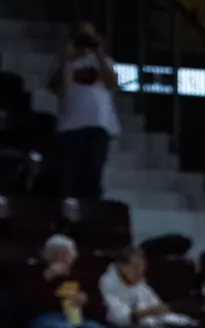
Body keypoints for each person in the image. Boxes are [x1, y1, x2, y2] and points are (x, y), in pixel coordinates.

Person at [49, 21, 118, 199]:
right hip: (70, 127)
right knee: (69, 181)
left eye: (89, 37)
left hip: (97, 125)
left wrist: (99, 53)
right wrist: (68, 59)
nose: (85, 42)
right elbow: (60, 90)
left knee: (93, 178)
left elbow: (112, 83)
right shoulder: (63, 63)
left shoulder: (105, 62)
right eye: (82, 37)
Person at [30, 234, 109, 328]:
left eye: (64, 255)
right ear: (47, 256)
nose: (60, 258)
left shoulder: (82, 277)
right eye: (55, 254)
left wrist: (86, 300)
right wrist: (47, 277)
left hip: (77, 318)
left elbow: (100, 307)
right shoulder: (38, 275)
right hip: (46, 319)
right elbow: (28, 304)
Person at [99, 247, 180, 328]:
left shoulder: (140, 282)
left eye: (143, 267)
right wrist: (147, 312)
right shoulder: (108, 283)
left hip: (148, 326)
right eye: (136, 267)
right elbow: (118, 317)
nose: (140, 272)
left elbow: (156, 305)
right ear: (122, 266)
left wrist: (162, 310)